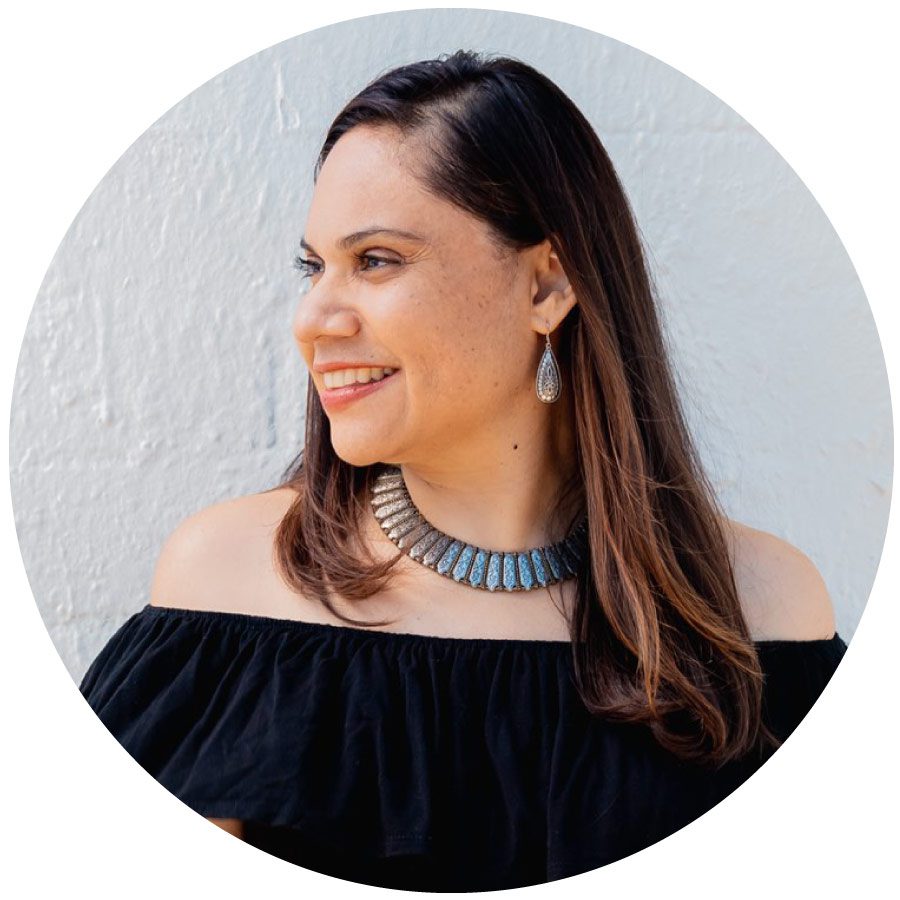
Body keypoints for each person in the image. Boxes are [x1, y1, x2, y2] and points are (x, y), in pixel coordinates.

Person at [79, 49, 847, 891]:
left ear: (547, 286)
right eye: (315, 266)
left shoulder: (763, 618)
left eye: (375, 260)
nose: (313, 318)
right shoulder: (228, 595)